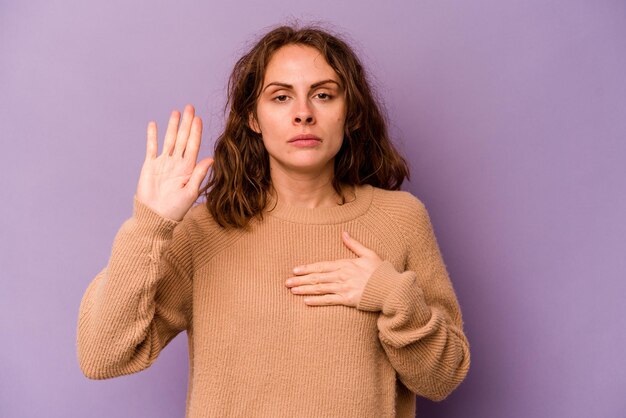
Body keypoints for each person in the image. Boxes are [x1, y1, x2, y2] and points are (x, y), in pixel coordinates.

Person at [77, 24, 470, 417]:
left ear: (349, 113)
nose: (303, 114)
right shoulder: (206, 231)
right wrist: (150, 225)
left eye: (323, 95)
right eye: (281, 97)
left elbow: (442, 378)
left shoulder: (399, 219)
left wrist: (390, 295)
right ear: (253, 117)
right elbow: (102, 356)